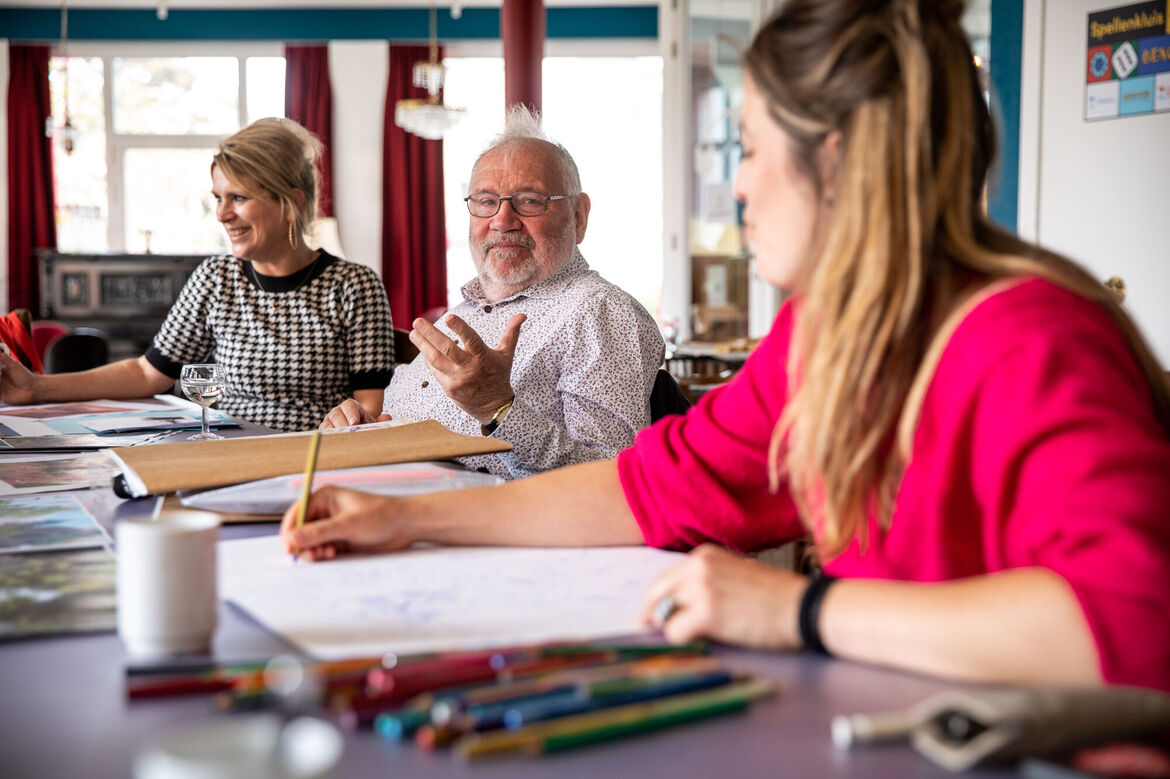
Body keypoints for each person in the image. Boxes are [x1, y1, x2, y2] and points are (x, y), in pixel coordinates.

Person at [281, 0, 1170, 693]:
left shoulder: (1029, 337)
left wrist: (806, 609)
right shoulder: (826, 337)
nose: (738, 185)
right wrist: (403, 518)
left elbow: (1135, 625)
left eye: (748, 147)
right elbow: (647, 488)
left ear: (836, 159)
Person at [320, 108, 664, 479]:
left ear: (578, 216)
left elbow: (611, 479)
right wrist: (363, 427)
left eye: (530, 200)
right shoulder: (465, 312)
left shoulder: (601, 313)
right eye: (486, 201)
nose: (502, 220)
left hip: (487, 523)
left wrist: (498, 407)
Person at [0, 118, 394, 432]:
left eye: (238, 198)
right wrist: (36, 387)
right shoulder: (216, 277)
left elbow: (369, 410)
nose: (222, 214)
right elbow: (147, 373)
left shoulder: (353, 286)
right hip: (225, 455)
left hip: (311, 463)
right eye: (218, 198)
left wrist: (349, 423)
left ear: (290, 202)